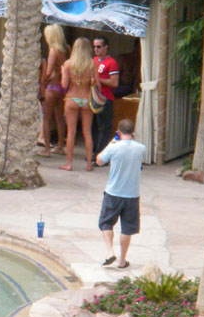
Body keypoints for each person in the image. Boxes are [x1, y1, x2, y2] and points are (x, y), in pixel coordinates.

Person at [96, 118, 147, 269]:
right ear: (133, 132)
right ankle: (122, 260)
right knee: (127, 227)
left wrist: (112, 142)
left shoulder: (114, 147)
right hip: (132, 194)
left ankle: (110, 251)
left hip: (113, 192)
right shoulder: (141, 148)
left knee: (106, 223)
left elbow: (99, 161)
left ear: (118, 132)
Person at [59, 37, 97, 172]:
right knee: (87, 132)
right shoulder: (92, 64)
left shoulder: (68, 64)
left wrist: (63, 72)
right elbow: (97, 84)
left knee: (71, 132)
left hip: (72, 98)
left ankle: (69, 163)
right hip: (86, 99)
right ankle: (89, 165)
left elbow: (64, 85)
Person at [39, 24, 68, 156]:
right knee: (59, 118)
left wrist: (43, 82)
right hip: (61, 87)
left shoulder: (53, 51)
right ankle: (60, 146)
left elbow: (49, 71)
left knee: (46, 118)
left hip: (51, 87)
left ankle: (46, 148)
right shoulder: (66, 49)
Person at [91, 36, 120, 155]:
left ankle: (102, 153)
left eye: (99, 46)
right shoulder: (94, 60)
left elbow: (114, 83)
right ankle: (93, 152)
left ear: (106, 47)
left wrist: (98, 80)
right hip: (93, 98)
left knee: (105, 127)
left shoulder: (111, 62)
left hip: (105, 98)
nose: (96, 49)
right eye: (94, 47)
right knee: (93, 127)